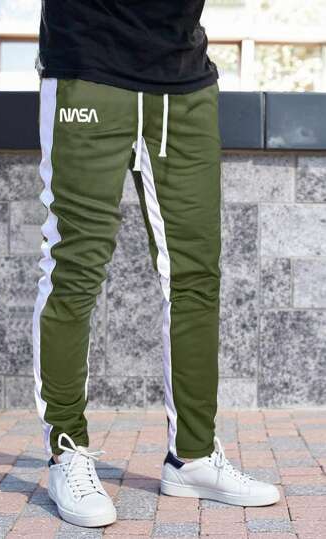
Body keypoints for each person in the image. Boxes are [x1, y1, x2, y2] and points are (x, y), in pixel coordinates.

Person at [32, 0, 280, 528]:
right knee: (74, 269)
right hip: (88, 67)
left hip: (184, 80)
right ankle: (66, 452)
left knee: (197, 276)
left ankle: (192, 457)